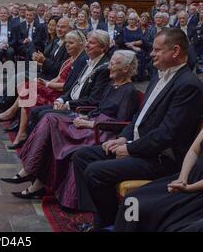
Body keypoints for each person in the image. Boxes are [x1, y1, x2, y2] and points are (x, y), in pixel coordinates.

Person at [73, 28, 203, 231]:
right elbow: (138, 118)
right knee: (82, 156)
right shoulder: (158, 77)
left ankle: (107, 223)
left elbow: (168, 134)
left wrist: (131, 149)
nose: (151, 53)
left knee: (95, 172)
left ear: (175, 51)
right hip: (140, 147)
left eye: (157, 50)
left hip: (161, 159)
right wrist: (123, 139)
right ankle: (105, 217)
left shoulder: (189, 85)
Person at [2, 51, 139, 203]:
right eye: (110, 62)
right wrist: (86, 116)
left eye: (114, 64)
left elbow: (121, 123)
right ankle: (33, 176)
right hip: (91, 122)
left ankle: (31, 173)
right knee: (50, 122)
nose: (109, 67)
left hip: (101, 132)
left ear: (126, 69)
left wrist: (90, 123)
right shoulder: (113, 85)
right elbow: (99, 107)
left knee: (51, 121)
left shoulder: (129, 91)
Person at [0, 30, 87, 149]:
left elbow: (68, 85)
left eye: (71, 43)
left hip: (59, 93)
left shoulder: (81, 61)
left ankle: (17, 125)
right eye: (67, 43)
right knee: (27, 85)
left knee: (28, 88)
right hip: (53, 85)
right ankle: (18, 125)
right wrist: (44, 83)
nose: (67, 45)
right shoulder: (70, 59)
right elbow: (58, 77)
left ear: (80, 43)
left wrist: (47, 84)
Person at [115, 128, 203, 232]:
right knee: (132, 200)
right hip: (190, 176)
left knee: (162, 217)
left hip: (197, 190)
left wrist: (189, 188)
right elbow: (193, 151)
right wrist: (182, 178)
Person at [28, 30, 111, 131]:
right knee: (33, 108)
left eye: (92, 43)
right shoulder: (89, 60)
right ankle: (28, 138)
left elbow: (93, 100)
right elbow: (74, 87)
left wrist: (67, 104)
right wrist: (61, 100)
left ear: (103, 47)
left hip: (80, 109)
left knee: (41, 112)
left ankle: (40, 143)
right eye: (87, 42)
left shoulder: (104, 68)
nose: (87, 45)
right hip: (69, 100)